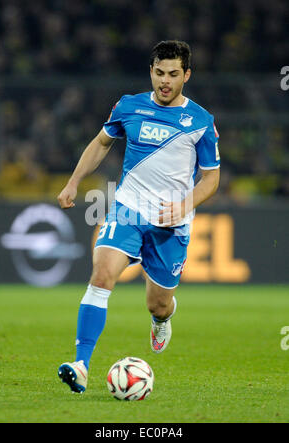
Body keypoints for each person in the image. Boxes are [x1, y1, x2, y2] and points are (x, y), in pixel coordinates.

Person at [57, 40, 220, 393]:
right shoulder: (128, 106)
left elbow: (211, 179)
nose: (165, 81)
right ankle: (81, 364)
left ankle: (162, 320)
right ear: (151, 71)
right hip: (128, 210)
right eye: (159, 73)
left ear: (186, 75)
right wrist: (73, 182)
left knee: (158, 304)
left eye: (173, 74)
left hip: (170, 222)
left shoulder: (201, 122)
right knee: (101, 276)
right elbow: (101, 143)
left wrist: (185, 205)